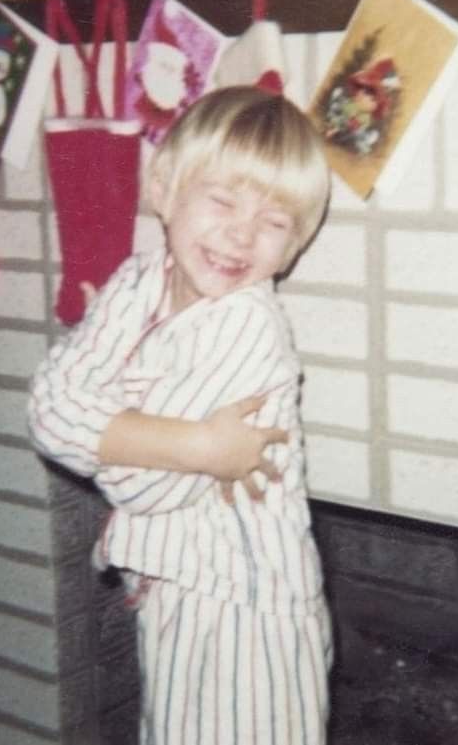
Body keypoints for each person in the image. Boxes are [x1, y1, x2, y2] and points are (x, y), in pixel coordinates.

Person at [28, 85, 332, 744]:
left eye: (275, 221)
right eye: (222, 200)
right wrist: (201, 443)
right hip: (173, 592)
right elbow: (46, 411)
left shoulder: (247, 327)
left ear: (295, 244)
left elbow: (143, 483)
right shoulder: (139, 280)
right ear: (164, 189)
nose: (241, 233)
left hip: (251, 616)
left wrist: (108, 394)